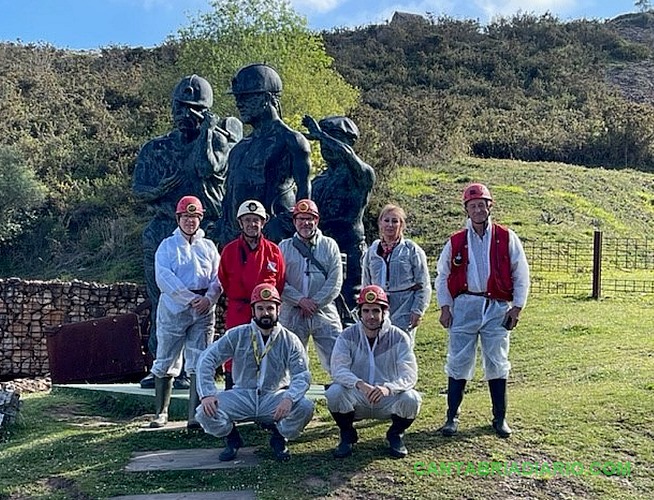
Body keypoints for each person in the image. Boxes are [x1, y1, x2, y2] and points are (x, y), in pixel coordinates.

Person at [132, 74, 241, 387]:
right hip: (163, 229)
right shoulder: (156, 149)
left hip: (204, 231)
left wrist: (208, 130)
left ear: (205, 111)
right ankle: (163, 370)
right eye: (179, 107)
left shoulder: (220, 141)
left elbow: (208, 169)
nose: (183, 114)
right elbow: (139, 190)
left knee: (203, 306)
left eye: (193, 108)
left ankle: (196, 373)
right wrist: (158, 190)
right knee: (161, 303)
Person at [434, 183, 529, 438]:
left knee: (497, 360)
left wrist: (517, 307)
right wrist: (445, 307)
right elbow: (442, 276)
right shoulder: (455, 241)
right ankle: (452, 416)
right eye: (472, 205)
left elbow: (521, 274)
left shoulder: (507, 237)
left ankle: (500, 418)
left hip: (496, 306)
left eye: (481, 205)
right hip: (465, 305)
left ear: (489, 206)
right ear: (466, 209)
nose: (477, 209)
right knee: (458, 360)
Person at [195, 283, 314, 462]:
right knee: (204, 412)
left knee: (305, 407)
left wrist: (290, 398)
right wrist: (207, 394)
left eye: (269, 308)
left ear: (278, 309)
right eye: (260, 308)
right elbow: (207, 360)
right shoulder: (238, 335)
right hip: (242, 394)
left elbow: (302, 374)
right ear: (253, 310)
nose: (265, 313)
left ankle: (279, 437)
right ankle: (232, 438)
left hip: (273, 396)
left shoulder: (290, 339)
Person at [149, 196, 222, 429]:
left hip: (203, 309)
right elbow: (164, 278)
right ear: (179, 218)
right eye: (186, 217)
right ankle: (161, 412)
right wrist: (190, 299)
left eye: (195, 217)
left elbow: (219, 276)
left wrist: (209, 298)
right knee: (166, 356)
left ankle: (194, 414)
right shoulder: (167, 246)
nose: (191, 221)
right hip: (174, 308)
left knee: (199, 359)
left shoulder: (208, 247)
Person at [326, 285, 421, 459]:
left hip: (386, 397)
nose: (371, 316)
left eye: (376, 311)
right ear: (360, 312)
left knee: (412, 399)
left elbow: (409, 374)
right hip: (359, 396)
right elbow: (338, 369)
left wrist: (388, 388)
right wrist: (359, 384)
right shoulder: (347, 335)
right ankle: (347, 435)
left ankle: (395, 434)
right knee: (334, 393)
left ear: (384, 312)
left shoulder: (399, 337)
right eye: (366, 310)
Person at [220, 63, 311, 246]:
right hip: (236, 244)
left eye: (246, 97)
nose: (239, 104)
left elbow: (305, 197)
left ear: (267, 97)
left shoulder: (291, 140)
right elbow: (228, 198)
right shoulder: (238, 149)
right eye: (238, 98)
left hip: (276, 242)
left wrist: (283, 225)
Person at [303, 115, 376, 309]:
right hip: (322, 253)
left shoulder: (361, 175)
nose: (325, 144)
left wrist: (320, 135)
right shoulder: (317, 182)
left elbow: (349, 157)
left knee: (352, 306)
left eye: (332, 137)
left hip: (350, 250)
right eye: (323, 140)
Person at [218, 199, 286, 389]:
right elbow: (223, 278)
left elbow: (279, 282)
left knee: (268, 352)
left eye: (256, 220)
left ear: (263, 223)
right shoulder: (229, 251)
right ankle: (232, 395)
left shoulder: (274, 252)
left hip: (265, 311)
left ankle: (268, 402)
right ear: (240, 223)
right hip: (238, 310)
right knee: (235, 352)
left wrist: (265, 304)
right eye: (247, 220)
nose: (252, 224)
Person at [278, 199, 343, 374]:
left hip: (324, 310)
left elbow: (335, 281)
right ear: (294, 221)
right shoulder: (283, 247)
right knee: (291, 357)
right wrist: (300, 300)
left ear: (317, 220)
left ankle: (344, 393)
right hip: (292, 310)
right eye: (301, 219)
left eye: (310, 218)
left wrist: (314, 302)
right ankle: (292, 395)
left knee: (337, 354)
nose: (305, 223)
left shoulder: (330, 245)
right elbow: (279, 281)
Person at [362, 204, 431, 347]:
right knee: (378, 348)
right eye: (386, 220)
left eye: (395, 221)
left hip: (404, 307)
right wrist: (366, 307)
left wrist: (417, 310)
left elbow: (423, 284)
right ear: (380, 223)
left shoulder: (411, 250)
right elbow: (366, 282)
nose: (390, 225)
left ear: (402, 225)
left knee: (402, 349)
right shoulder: (372, 251)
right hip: (378, 307)